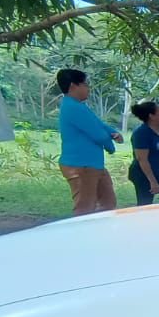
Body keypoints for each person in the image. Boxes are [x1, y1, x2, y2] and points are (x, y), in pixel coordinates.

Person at [55, 68, 121, 215]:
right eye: (85, 85)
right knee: (85, 208)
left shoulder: (79, 106)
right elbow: (98, 134)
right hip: (80, 165)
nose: (88, 88)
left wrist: (113, 132)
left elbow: (98, 124)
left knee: (108, 202)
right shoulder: (71, 107)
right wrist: (110, 146)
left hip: (92, 164)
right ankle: (82, 236)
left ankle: (102, 233)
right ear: (73, 86)